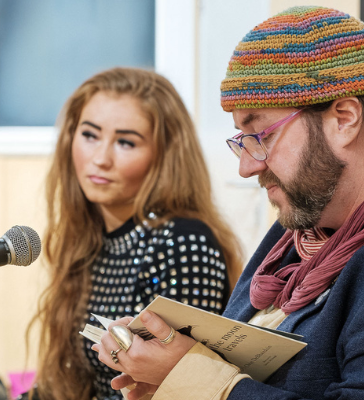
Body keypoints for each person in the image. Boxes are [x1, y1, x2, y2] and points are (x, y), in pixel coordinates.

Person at [93, 7, 364, 400]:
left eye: (260, 136)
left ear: (344, 119)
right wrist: (168, 381)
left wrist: (202, 383)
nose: (247, 167)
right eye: (241, 141)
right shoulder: (308, 224)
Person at [25, 67, 243, 400]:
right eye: (89, 135)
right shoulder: (89, 236)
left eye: (126, 142)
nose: (100, 158)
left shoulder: (182, 242)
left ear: (164, 156)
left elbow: (180, 388)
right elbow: (67, 381)